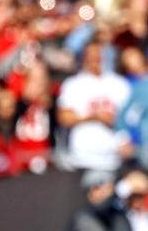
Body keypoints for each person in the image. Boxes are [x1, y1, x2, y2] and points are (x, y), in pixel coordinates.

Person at [55, 41, 132, 171]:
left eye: (98, 55)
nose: (95, 59)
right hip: (82, 158)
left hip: (114, 158)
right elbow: (64, 117)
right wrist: (93, 117)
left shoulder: (120, 84)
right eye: (91, 55)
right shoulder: (73, 84)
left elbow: (131, 119)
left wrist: (126, 138)